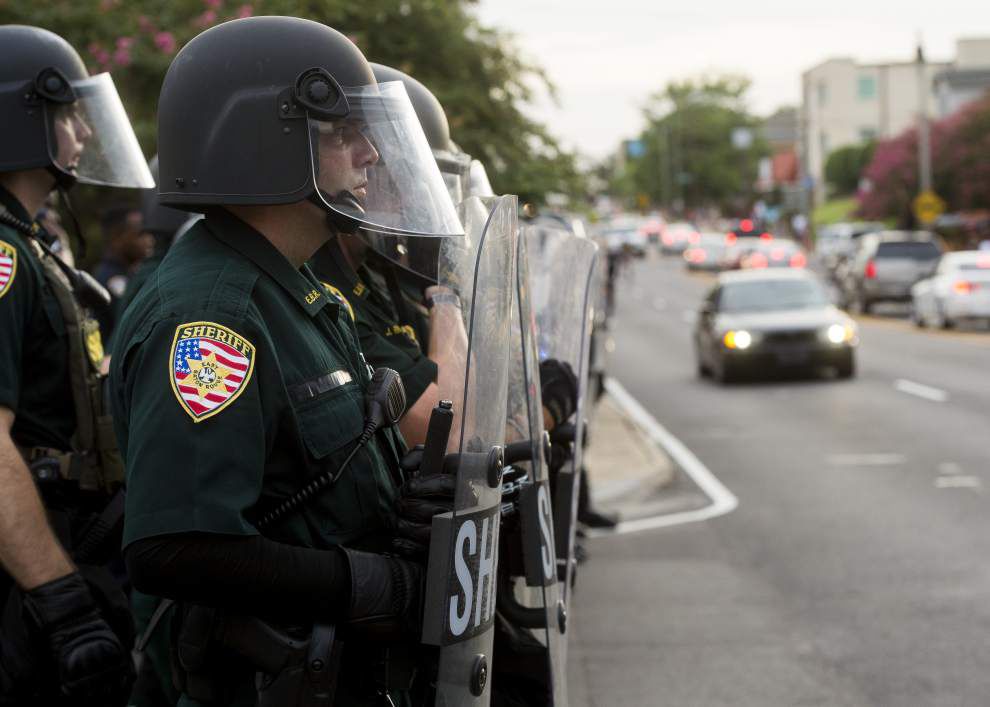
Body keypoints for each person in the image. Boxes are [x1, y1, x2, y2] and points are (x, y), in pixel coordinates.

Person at [109, 16, 464, 706]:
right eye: (341, 133)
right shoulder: (213, 319)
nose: (368, 154)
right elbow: (178, 545)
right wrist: (364, 581)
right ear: (263, 144)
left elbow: (305, 482)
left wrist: (401, 500)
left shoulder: (295, 288)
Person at [0, 23, 155, 706]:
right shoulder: (4, 255)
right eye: (68, 114)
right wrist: (60, 600)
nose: (85, 134)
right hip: (22, 580)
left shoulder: (27, 244)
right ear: (22, 117)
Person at [91, 203, 151, 340]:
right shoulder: (111, 279)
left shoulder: (126, 273)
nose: (148, 240)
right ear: (117, 237)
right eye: (140, 234)